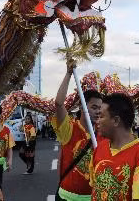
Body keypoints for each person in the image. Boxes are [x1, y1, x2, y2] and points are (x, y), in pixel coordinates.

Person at [52, 57, 104, 201]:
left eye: (100, 108)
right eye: (94, 107)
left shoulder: (103, 133)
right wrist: (68, 74)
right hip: (68, 197)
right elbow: (59, 103)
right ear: (82, 106)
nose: (98, 111)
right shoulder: (69, 129)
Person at [90, 93, 139, 201]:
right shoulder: (100, 148)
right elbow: (94, 187)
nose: (97, 121)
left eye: (101, 116)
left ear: (116, 120)